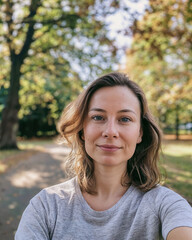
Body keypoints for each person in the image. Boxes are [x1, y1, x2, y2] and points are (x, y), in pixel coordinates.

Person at [15, 72, 192, 240]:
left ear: (140, 133)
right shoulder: (45, 206)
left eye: (125, 119)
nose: (110, 132)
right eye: (98, 117)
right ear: (83, 129)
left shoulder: (165, 204)